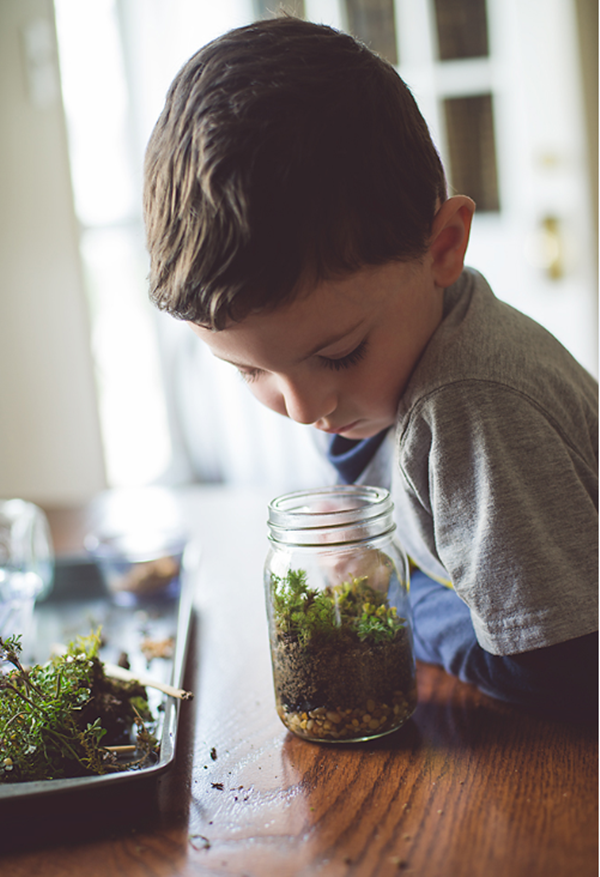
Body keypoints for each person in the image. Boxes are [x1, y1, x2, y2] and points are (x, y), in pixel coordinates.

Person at [143, 17, 598, 718]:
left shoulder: (471, 407)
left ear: (443, 247)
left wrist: (402, 596)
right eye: (250, 371)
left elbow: (552, 665)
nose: (300, 408)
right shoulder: (424, 345)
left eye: (338, 353)